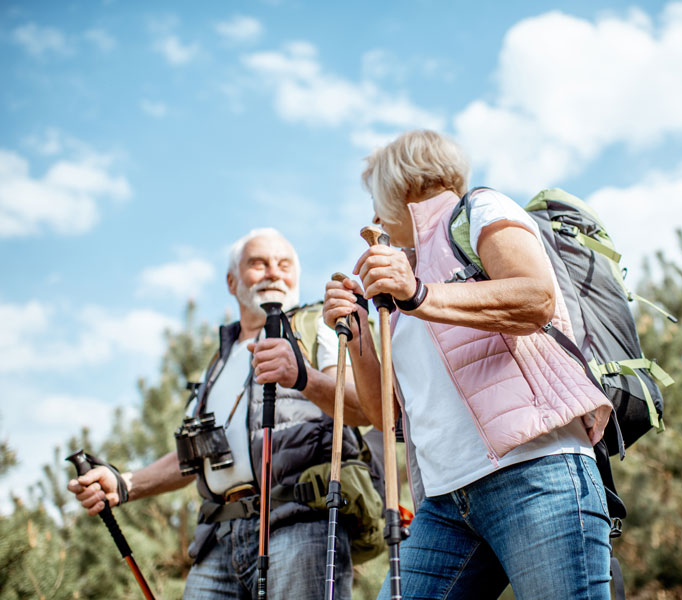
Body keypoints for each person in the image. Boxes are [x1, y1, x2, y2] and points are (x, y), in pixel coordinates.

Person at [323, 130, 614, 600]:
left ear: (401, 184)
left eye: (375, 199)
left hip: (535, 471)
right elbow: (386, 417)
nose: (373, 217)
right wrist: (357, 333)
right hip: (444, 503)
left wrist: (420, 296)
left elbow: (535, 297)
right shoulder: (403, 282)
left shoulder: (480, 209)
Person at [68, 228, 371, 600]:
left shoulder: (317, 328)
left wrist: (302, 376)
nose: (273, 272)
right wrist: (125, 484)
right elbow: (196, 459)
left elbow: (363, 407)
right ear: (231, 281)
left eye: (284, 264)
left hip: (299, 526)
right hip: (217, 539)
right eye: (258, 264)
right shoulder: (217, 364)